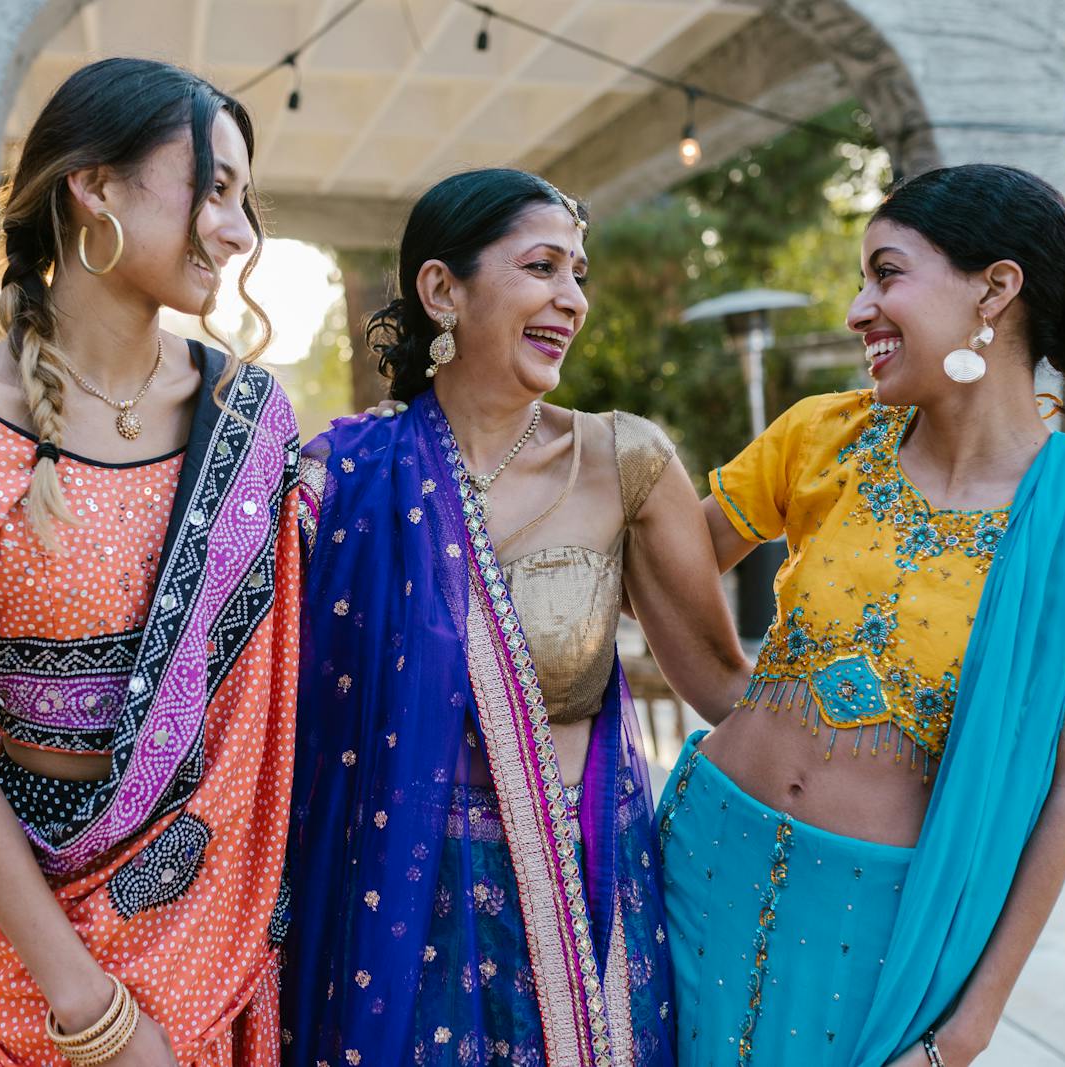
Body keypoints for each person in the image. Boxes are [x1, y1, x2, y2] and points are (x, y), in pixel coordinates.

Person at [657, 163, 1065, 1067]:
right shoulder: (825, 434)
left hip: (875, 925)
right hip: (696, 862)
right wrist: (733, 695)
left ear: (996, 288)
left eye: (886, 273)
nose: (859, 309)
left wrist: (961, 1038)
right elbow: (662, 569)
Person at [0, 58, 303, 1067]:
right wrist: (89, 1008)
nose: (239, 229)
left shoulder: (249, 421)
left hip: (228, 921)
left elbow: (278, 700)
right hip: (39, 935)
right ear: (92, 185)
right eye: (214, 187)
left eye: (245, 197)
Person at [281, 168, 750, 1067]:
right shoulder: (341, 478)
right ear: (441, 289)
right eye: (543, 268)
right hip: (403, 914)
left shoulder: (624, 460)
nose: (571, 299)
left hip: (587, 898)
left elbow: (725, 687)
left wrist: (874, 771)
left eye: (579, 274)